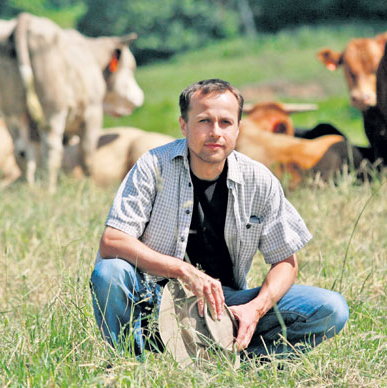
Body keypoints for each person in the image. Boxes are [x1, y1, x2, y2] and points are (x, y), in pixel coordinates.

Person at [90, 78, 349, 357]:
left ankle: (240, 360)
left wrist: (254, 309)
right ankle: (131, 360)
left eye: (225, 122)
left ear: (238, 128)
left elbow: (286, 262)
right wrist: (183, 270)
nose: (215, 132)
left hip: (225, 306)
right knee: (110, 273)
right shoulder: (153, 165)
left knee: (331, 308)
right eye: (204, 121)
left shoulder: (259, 180)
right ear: (183, 125)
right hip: (153, 299)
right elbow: (112, 241)